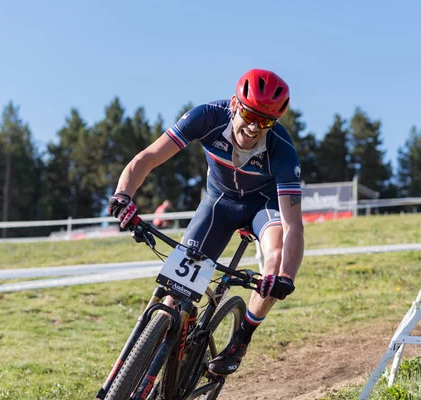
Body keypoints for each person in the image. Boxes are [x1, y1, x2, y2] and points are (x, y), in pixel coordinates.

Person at [107, 68, 304, 376]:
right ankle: (166, 353)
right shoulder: (207, 117)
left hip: (263, 208)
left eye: (265, 121)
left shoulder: (282, 152)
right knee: (175, 294)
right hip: (219, 203)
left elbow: (292, 225)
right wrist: (123, 195)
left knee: (274, 264)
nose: (254, 128)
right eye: (250, 115)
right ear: (235, 104)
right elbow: (148, 157)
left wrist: (285, 277)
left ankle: (242, 337)